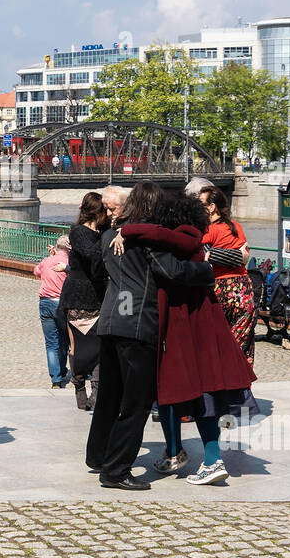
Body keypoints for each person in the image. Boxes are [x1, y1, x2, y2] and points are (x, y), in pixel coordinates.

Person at [115, 194, 257, 485]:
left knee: (184, 391)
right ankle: (177, 451)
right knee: (195, 391)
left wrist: (126, 229)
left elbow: (161, 243)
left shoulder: (182, 238)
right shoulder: (188, 238)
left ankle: (206, 459)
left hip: (185, 325)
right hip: (202, 321)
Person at [87, 181, 214, 490]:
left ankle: (99, 456)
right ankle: (116, 470)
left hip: (111, 320)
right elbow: (173, 272)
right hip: (137, 324)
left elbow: (95, 270)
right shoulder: (146, 242)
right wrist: (206, 270)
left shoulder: (107, 238)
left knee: (109, 396)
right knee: (137, 403)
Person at [58, 192, 109, 411]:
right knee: (78, 347)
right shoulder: (79, 232)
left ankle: (96, 393)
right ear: (99, 212)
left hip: (98, 296)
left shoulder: (102, 233)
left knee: (99, 347)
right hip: (79, 295)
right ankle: (80, 390)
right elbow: (93, 256)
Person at [199, 185, 255, 365]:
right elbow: (244, 256)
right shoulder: (236, 227)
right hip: (243, 289)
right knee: (242, 343)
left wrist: (214, 255)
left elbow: (205, 254)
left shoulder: (207, 230)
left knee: (215, 342)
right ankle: (242, 386)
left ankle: (220, 384)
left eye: (200, 203)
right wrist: (238, 257)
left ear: (211, 207)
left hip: (219, 289)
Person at [34, 235, 71, 389]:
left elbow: (36, 271)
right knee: (64, 341)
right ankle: (61, 371)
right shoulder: (69, 263)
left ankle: (55, 379)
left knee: (51, 343)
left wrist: (50, 257)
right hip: (61, 304)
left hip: (45, 302)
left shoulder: (46, 261)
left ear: (56, 247)